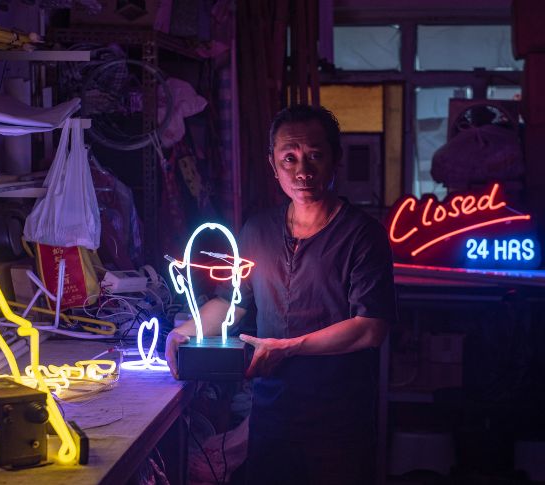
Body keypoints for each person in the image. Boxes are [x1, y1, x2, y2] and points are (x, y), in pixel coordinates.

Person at [165, 104, 397, 484]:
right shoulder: (258, 230)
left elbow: (371, 327)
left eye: (315, 156)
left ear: (335, 159)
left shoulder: (362, 235)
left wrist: (290, 347)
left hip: (339, 421)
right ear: (273, 164)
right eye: (289, 157)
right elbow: (231, 303)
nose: (302, 170)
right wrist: (183, 333)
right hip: (272, 413)